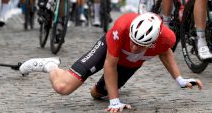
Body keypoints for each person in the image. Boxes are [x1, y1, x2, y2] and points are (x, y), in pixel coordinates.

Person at [19, 12, 202, 112]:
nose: (133, 47)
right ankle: (50, 65)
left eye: (140, 46)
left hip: (129, 65)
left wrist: (180, 80)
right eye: (133, 41)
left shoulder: (167, 39)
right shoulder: (122, 27)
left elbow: (165, 53)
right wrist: (114, 102)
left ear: (153, 42)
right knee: (63, 88)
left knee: (96, 94)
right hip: (107, 51)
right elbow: (109, 65)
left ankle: (104, 92)